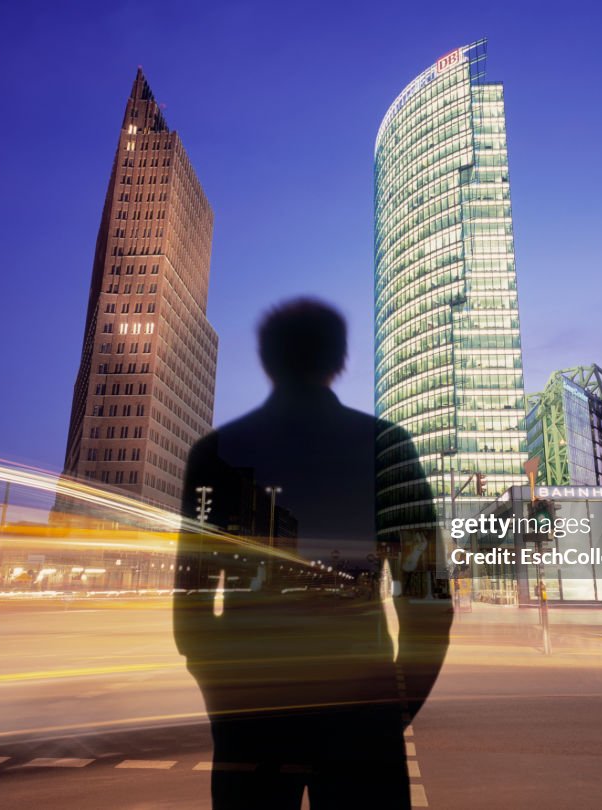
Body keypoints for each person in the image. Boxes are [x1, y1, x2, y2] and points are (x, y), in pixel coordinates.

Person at [173, 298, 452, 809]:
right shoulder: (386, 447)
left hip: (251, 714)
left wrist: (225, 697)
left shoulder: (214, 453)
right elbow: (429, 601)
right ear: (340, 360)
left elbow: (190, 602)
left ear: (266, 360)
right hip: (362, 715)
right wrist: (394, 708)